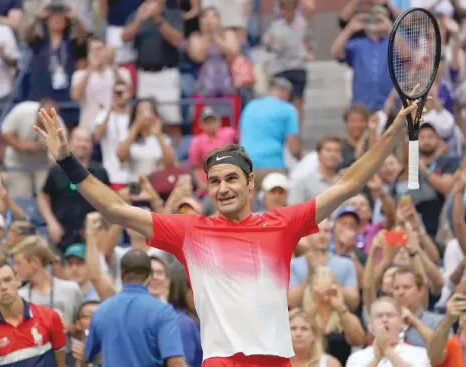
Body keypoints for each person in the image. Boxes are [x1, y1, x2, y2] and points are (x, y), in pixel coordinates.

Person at [34, 99, 420, 366]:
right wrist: (67, 160)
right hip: (222, 361)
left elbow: (347, 184)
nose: (223, 188)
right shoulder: (191, 231)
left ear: (250, 183)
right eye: (215, 181)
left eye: (232, 178)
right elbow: (114, 208)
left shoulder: (282, 224)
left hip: (276, 361)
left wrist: (395, 131)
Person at [84, 249, 187, 367]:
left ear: (122, 274)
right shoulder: (163, 312)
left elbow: (88, 356)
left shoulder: (101, 311)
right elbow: (175, 362)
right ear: (150, 275)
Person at [0, 259, 66, 367]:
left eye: (7, 280)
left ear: (18, 280)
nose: (3, 287)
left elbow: (61, 362)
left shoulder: (49, 316)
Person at [346, 297, 431, 367]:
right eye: (379, 316)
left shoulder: (420, 354)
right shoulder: (356, 357)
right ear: (370, 325)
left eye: (390, 315)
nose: (384, 319)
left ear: (401, 323)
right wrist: (376, 359)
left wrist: (387, 351)